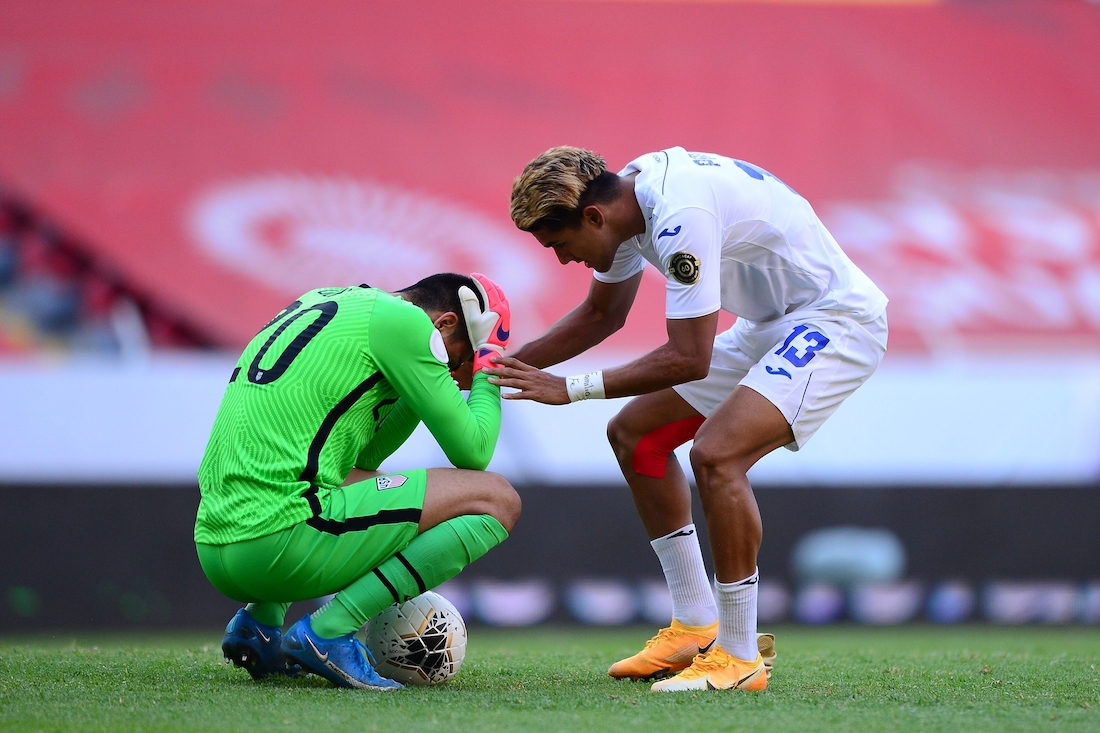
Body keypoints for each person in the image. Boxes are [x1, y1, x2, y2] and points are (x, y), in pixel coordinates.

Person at [489, 146, 888, 692]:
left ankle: (740, 655)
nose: (562, 260)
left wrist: (570, 389)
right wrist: (498, 367)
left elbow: (688, 358)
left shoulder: (680, 214)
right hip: (769, 325)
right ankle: (696, 626)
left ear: (593, 217)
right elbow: (600, 315)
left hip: (836, 321)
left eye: (559, 245)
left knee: (718, 455)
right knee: (636, 436)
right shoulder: (627, 204)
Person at [195, 273, 519, 691]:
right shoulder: (406, 323)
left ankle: (260, 622)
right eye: (459, 361)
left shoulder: (328, 299)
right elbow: (474, 451)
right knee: (497, 499)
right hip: (275, 544)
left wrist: (422, 384)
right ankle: (329, 630)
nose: (458, 375)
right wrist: (489, 359)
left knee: (335, 478)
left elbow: (360, 462)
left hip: (215, 545)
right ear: (445, 324)